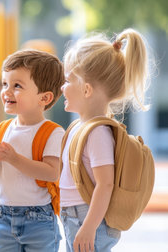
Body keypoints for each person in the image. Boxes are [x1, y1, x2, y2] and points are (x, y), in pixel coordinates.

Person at [60, 28, 150, 252]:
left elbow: (105, 184)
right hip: (75, 215)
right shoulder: (79, 128)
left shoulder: (97, 133)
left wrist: (89, 227)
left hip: (88, 218)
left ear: (87, 89)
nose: (62, 88)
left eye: (68, 80)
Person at [0, 49, 65, 252]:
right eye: (5, 84)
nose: (7, 91)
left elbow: (52, 172)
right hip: (3, 218)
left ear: (44, 98)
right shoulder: (3, 129)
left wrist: (15, 159)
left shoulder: (52, 132)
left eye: (17, 86)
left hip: (38, 219)